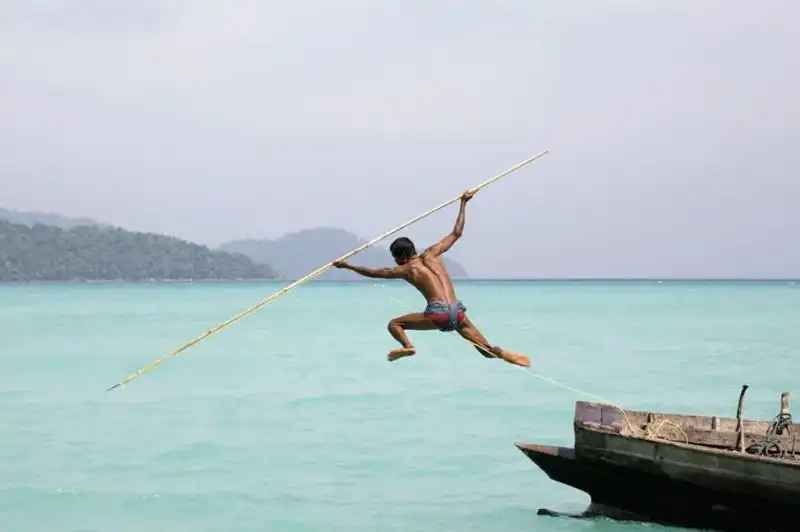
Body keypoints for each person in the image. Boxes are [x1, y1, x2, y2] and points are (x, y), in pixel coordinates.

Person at [332, 190, 530, 367]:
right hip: (458, 311)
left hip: (439, 314)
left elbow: (374, 273)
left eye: (395, 258)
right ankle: (500, 352)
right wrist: (463, 203)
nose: (395, 262)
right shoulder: (434, 253)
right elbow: (457, 233)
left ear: (402, 256)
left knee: (394, 324)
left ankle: (408, 346)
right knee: (486, 351)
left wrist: (348, 265)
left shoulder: (407, 269)